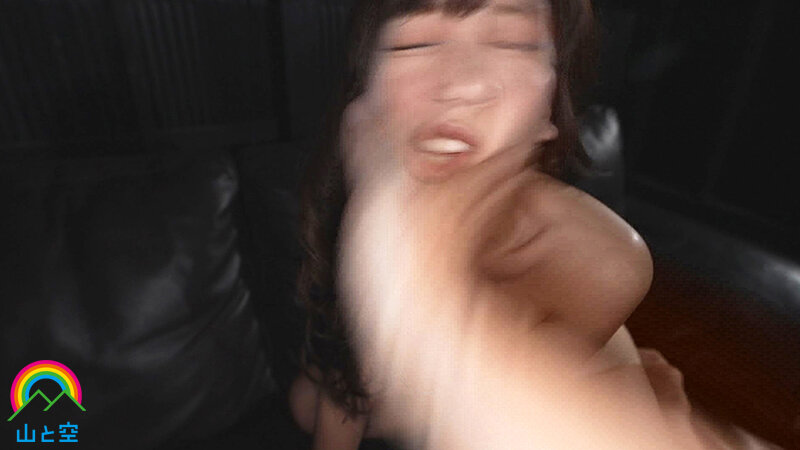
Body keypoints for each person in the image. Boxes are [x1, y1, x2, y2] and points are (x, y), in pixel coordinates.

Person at [286, 0, 780, 448]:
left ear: (548, 116)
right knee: (308, 401)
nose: (462, 84)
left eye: (513, 42)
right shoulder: (356, 207)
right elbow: (344, 376)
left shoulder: (605, 261)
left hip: (537, 405)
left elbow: (476, 414)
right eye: (415, 42)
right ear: (363, 99)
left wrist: (405, 286)